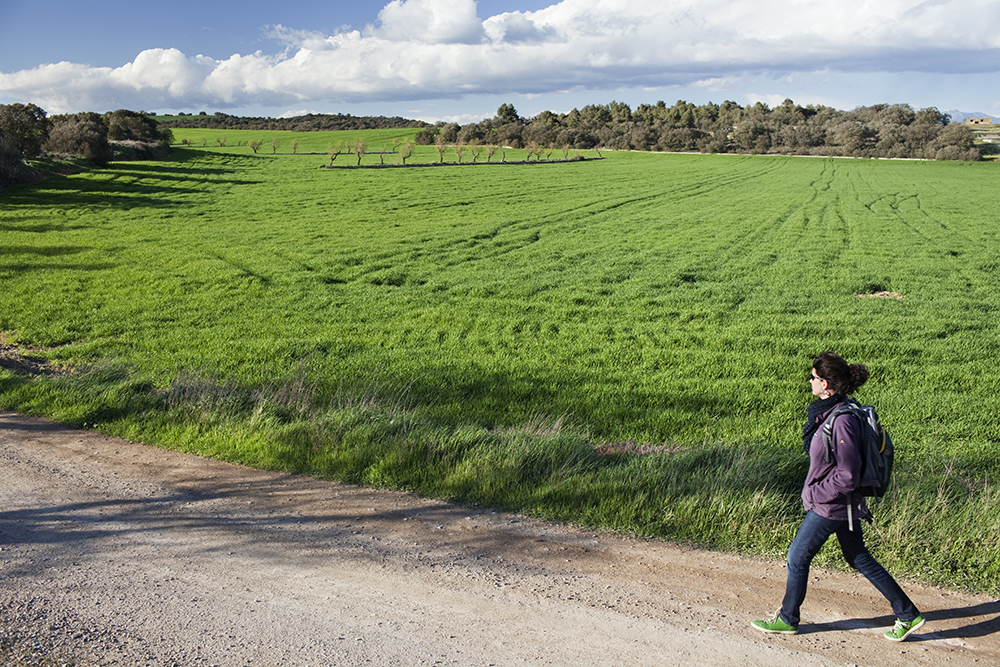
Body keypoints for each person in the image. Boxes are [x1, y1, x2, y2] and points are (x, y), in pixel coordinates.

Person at [751, 351, 925, 641]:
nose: (810, 381)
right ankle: (908, 614)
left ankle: (787, 618)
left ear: (827, 384)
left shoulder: (842, 420)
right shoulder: (834, 411)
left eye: (814, 378)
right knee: (858, 557)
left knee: (797, 555)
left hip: (832, 505)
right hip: (844, 505)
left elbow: (847, 475)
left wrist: (815, 492)